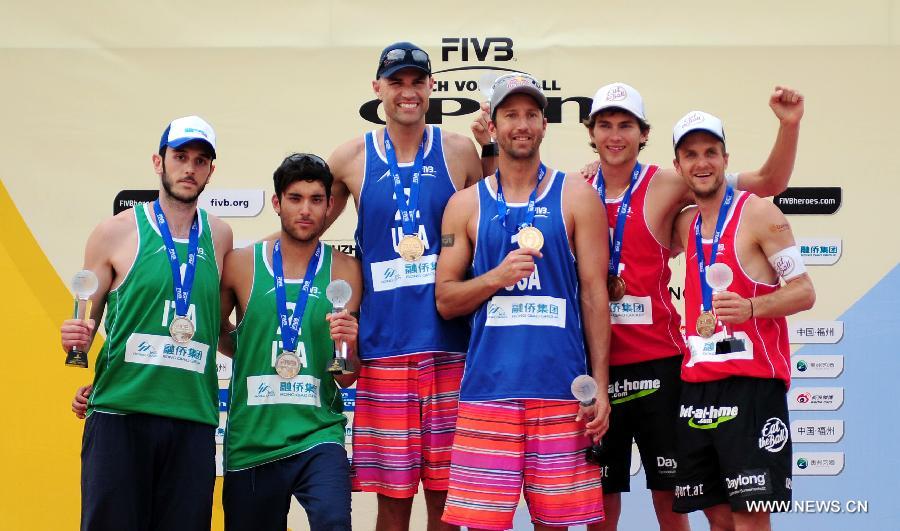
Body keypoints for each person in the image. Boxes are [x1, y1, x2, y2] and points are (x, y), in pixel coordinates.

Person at [574, 83, 804, 531]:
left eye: (626, 125)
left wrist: (789, 126)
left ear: (643, 134)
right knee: (597, 509)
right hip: (597, 364)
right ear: (592, 132)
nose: (615, 135)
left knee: (675, 503)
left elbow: (769, 184)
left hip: (663, 365)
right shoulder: (574, 188)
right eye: (605, 125)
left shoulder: (670, 182)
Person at [435, 72, 611, 531]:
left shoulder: (577, 194)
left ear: (544, 125)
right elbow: (446, 299)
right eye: (510, 114)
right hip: (488, 393)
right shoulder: (464, 205)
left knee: (555, 525)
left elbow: (595, 295)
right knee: (484, 525)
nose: (522, 124)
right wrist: (496, 277)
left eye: (531, 114)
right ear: (491, 125)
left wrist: (602, 387)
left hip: (562, 393)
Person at [325, 41, 485, 531]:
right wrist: (240, 254)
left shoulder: (459, 150)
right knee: (392, 503)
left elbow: (497, 216)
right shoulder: (349, 157)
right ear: (378, 89)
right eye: (397, 82)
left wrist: (493, 146)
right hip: (384, 351)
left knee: (447, 501)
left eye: (418, 81)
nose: (408, 92)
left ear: (432, 88)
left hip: (451, 348)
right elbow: (304, 229)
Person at [61, 116, 233, 530]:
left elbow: (221, 327)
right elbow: (84, 325)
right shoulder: (113, 233)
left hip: (192, 420)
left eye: (200, 160)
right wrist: (71, 339)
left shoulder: (222, 237)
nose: (189, 168)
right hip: (121, 414)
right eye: (180, 157)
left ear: (212, 170)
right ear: (159, 162)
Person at [669, 111, 815, 531]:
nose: (702, 162)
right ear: (678, 167)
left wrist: (753, 308)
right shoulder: (686, 224)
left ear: (725, 158)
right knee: (716, 518)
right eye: (691, 155)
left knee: (749, 520)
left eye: (711, 152)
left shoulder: (759, 213)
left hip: (751, 386)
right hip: (697, 386)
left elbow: (804, 291)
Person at [217, 153, 362, 531]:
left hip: (319, 434)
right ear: (277, 203)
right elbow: (212, 332)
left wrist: (348, 346)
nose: (306, 210)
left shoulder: (347, 272)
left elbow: (345, 376)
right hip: (252, 441)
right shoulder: (240, 264)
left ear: (330, 206)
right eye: (295, 198)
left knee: (333, 522)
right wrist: (249, 351)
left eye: (316, 199)